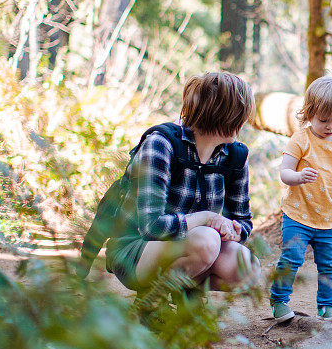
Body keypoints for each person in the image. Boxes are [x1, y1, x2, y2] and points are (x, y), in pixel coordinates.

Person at [101, 72, 259, 292]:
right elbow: (152, 226)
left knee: (247, 267)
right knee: (206, 241)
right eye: (240, 114)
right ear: (223, 114)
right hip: (135, 251)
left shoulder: (234, 156)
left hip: (195, 247)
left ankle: (184, 293)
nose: (243, 122)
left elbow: (243, 220)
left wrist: (232, 230)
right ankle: (152, 301)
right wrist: (206, 218)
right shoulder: (161, 144)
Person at [269, 75, 332, 328]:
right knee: (292, 257)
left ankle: (327, 307)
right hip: (298, 215)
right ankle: (279, 300)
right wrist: (298, 177)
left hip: (329, 219)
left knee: (329, 265)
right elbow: (284, 173)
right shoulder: (301, 139)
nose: (331, 127)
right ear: (309, 114)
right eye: (324, 120)